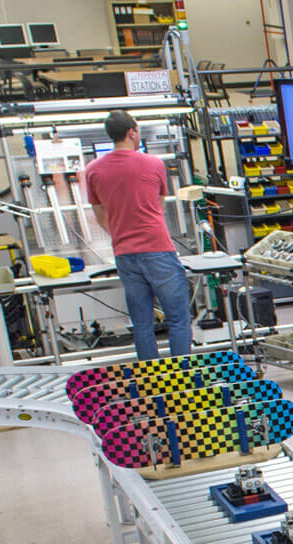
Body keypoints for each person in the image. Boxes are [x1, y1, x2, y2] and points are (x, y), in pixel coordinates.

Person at [86, 110, 191, 361]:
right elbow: (159, 204)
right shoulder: (153, 163)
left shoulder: (93, 170)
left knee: (141, 323)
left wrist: (122, 234)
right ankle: (182, 378)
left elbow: (100, 214)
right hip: (157, 249)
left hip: (124, 253)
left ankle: (150, 380)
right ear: (132, 133)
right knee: (177, 319)